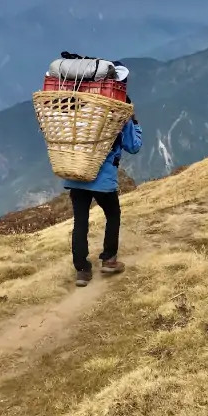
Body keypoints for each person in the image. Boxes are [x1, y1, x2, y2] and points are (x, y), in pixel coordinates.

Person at [64, 64, 143, 287]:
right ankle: (109, 259)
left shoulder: (79, 102)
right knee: (113, 214)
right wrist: (134, 121)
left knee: (80, 221)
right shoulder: (119, 108)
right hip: (102, 176)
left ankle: (82, 270)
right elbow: (133, 146)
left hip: (77, 172)